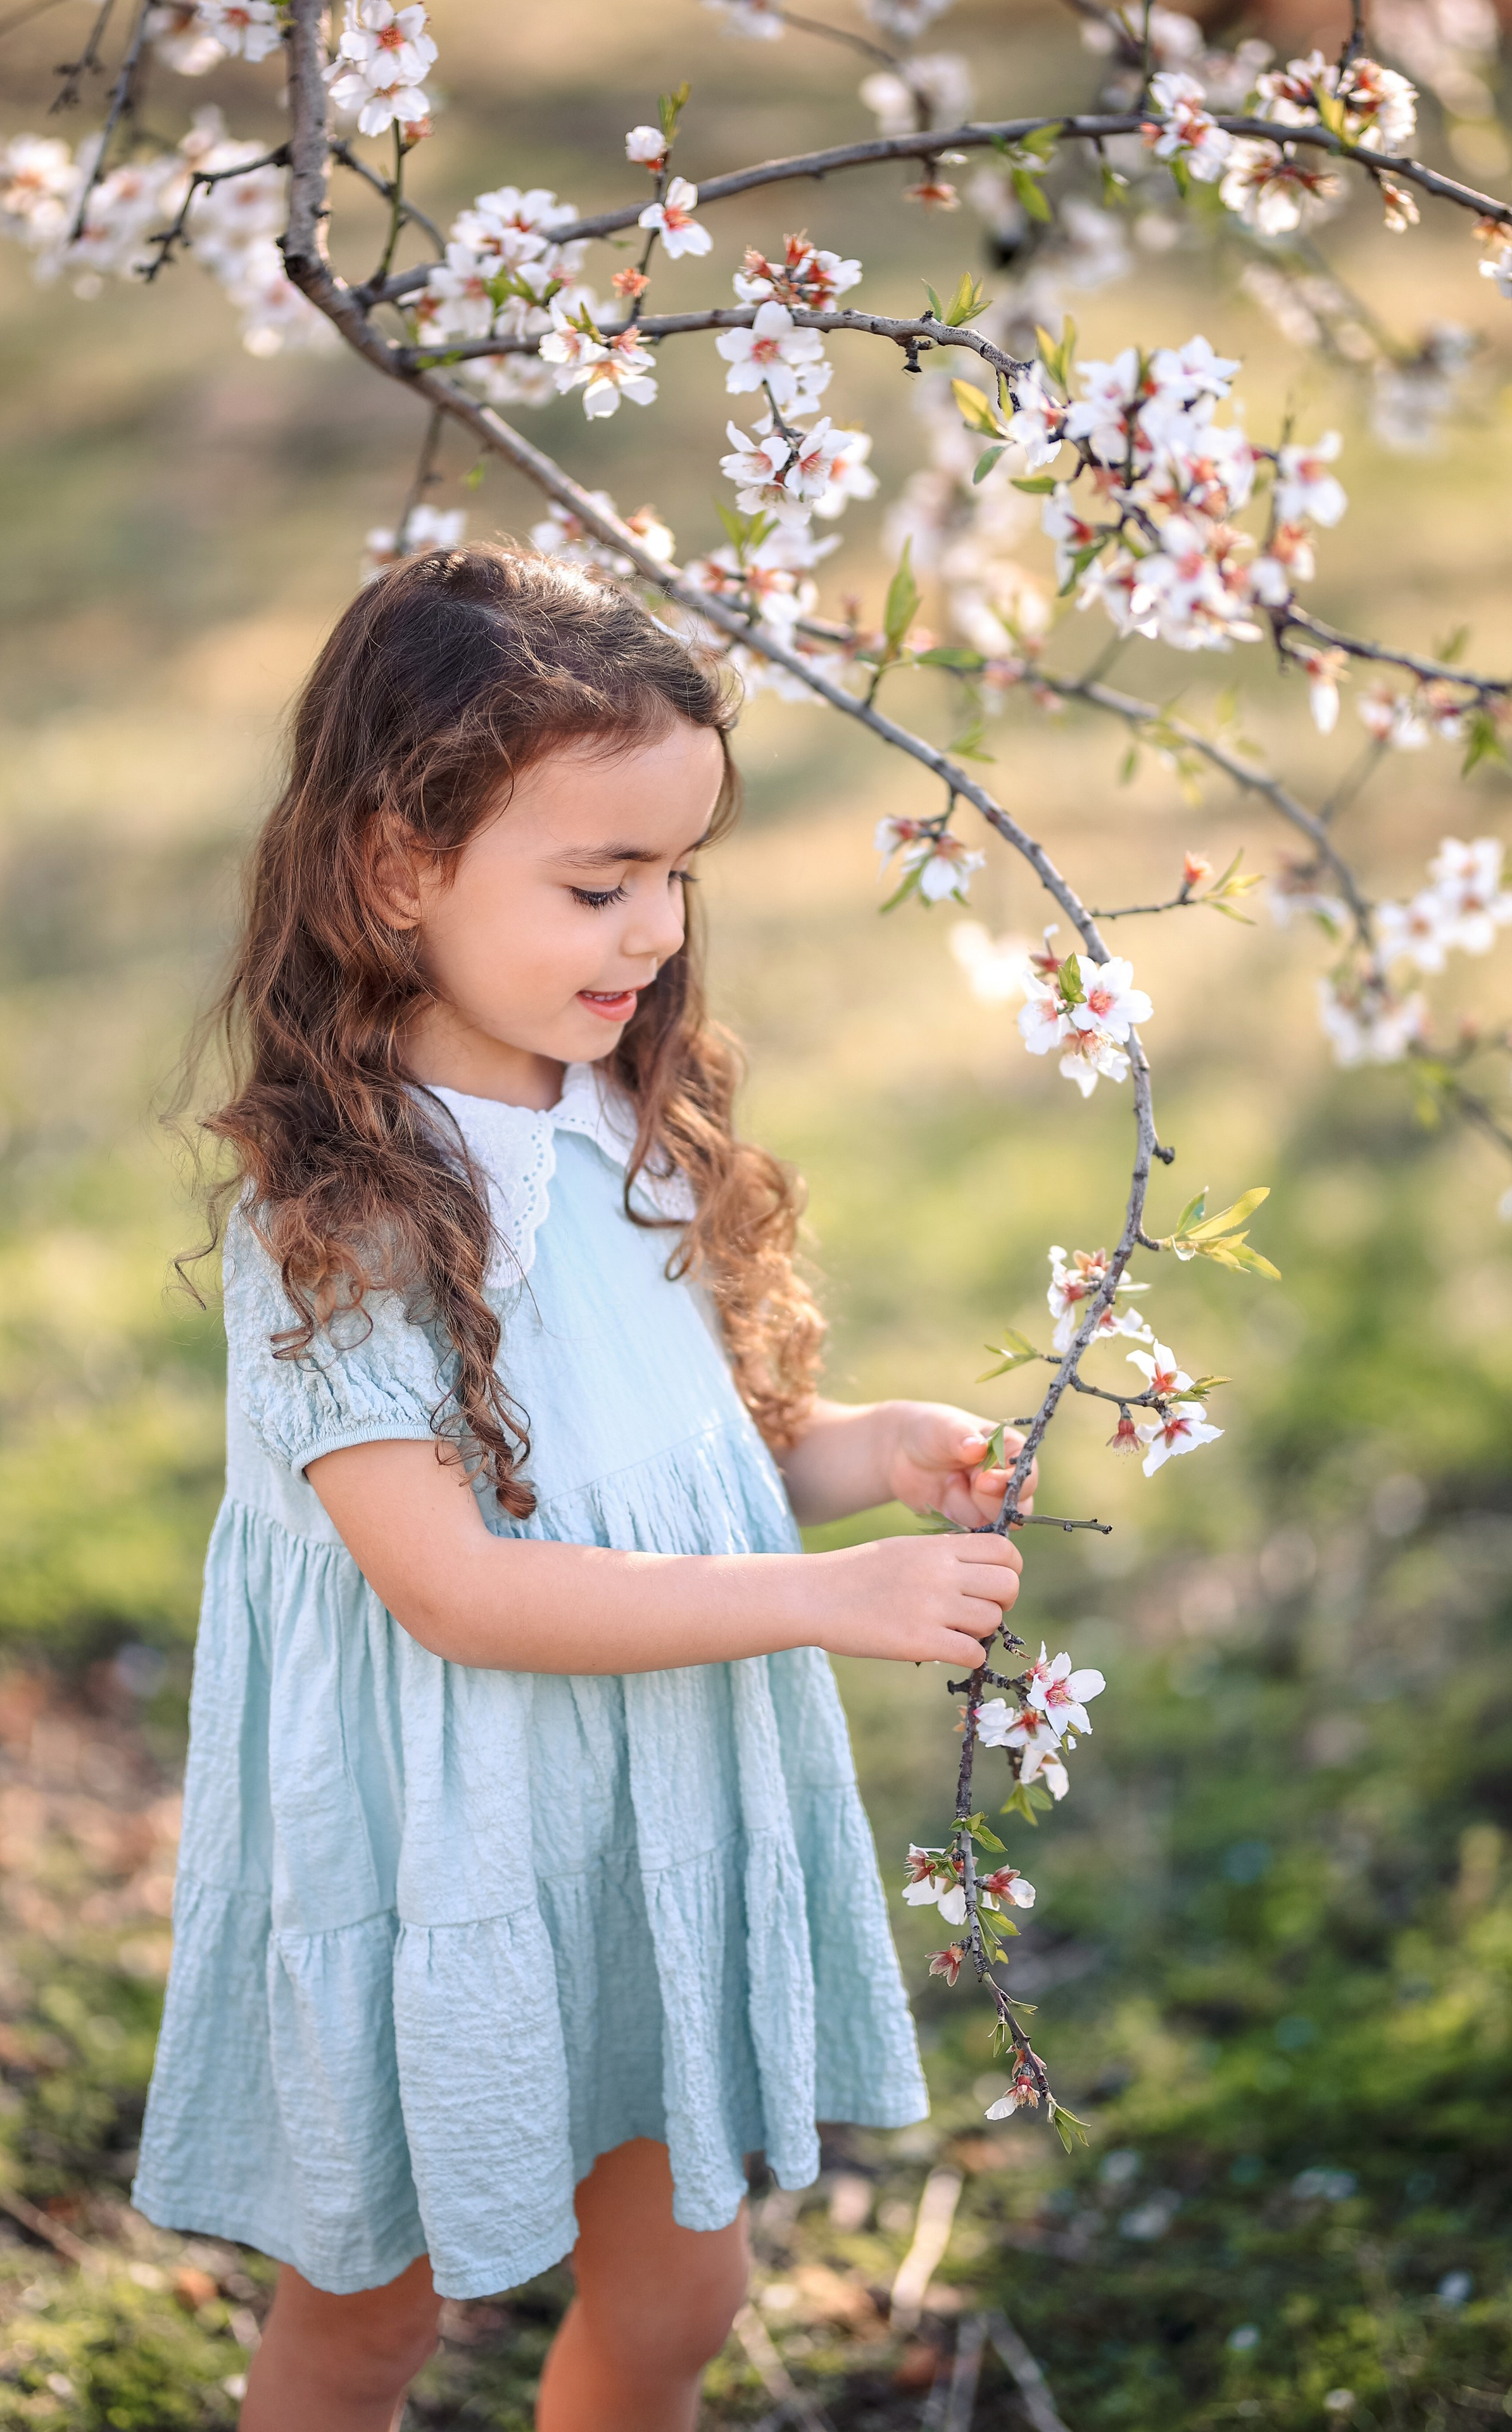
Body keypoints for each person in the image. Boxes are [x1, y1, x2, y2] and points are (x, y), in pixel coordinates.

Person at [131, 544, 1032, 2432]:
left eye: (679, 874)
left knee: (682, 2291)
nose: (653, 931)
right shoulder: (343, 1220)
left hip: (648, 1818)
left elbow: (674, 1463)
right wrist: (820, 1598)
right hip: (437, 1841)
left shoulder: (625, 1114)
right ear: (398, 870)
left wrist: (856, 1458)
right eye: (599, 882)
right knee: (370, 2313)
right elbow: (457, 1587)